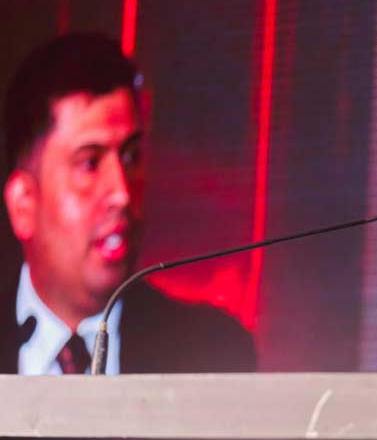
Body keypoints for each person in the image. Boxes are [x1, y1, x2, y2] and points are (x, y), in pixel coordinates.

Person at [1, 33, 256, 375]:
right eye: (90, 163)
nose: (122, 193)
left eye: (131, 156)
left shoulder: (211, 351)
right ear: (24, 204)